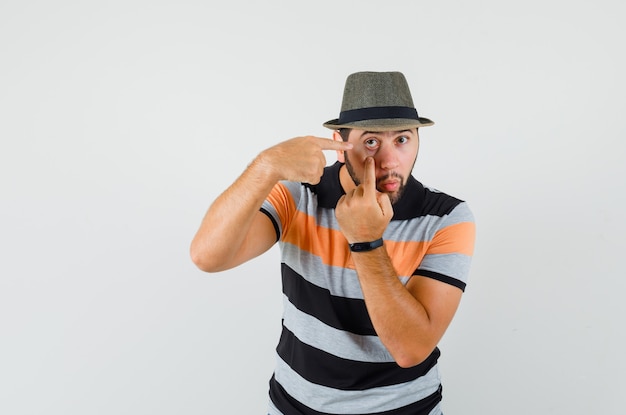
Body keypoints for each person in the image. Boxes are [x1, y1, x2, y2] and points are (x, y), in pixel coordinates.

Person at [190, 71, 476, 415]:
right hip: (294, 406)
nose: (389, 161)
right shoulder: (299, 194)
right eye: (371, 142)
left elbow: (411, 349)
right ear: (339, 143)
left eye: (402, 140)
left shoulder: (446, 217)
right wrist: (265, 167)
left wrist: (366, 242)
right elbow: (207, 256)